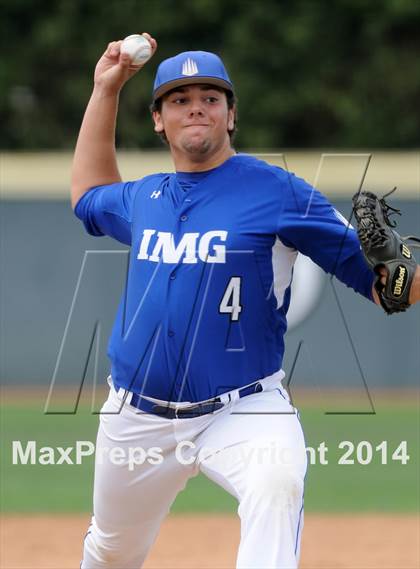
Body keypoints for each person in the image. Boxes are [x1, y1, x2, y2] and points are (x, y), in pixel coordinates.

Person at [71, 34, 420, 569]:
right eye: (179, 100)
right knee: (111, 552)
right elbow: (88, 196)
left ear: (230, 115)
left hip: (243, 407)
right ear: (159, 120)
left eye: (210, 98)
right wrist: (106, 88)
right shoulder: (145, 197)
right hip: (135, 416)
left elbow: (390, 290)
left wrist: (395, 264)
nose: (196, 108)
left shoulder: (278, 191)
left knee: (276, 482)